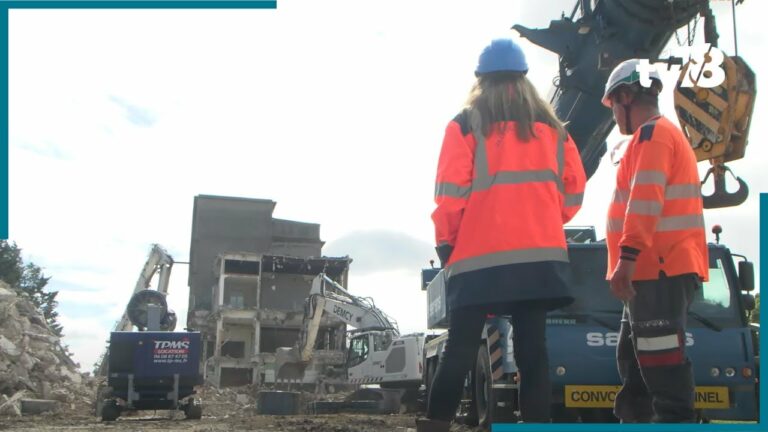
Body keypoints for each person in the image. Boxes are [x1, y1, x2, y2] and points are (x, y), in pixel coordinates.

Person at [416, 38, 586, 431]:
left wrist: (447, 246)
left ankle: (437, 424)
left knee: (459, 348)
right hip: (539, 258)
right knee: (533, 353)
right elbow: (574, 189)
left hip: (479, 260)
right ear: (523, 79)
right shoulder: (553, 130)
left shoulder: (464, 125)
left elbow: (449, 198)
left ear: (481, 80)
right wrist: (544, 217)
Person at [601, 58, 709, 423]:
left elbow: (645, 201)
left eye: (614, 105)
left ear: (627, 96)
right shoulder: (654, 137)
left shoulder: (653, 135)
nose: (614, 116)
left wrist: (625, 261)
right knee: (636, 369)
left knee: (662, 370)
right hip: (652, 273)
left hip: (657, 270)